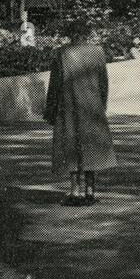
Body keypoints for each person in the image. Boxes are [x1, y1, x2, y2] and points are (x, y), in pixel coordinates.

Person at [44, 32, 116, 205]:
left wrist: (51, 110)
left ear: (71, 35)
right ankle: (90, 191)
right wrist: (102, 104)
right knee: (91, 147)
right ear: (87, 34)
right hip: (92, 107)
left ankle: (75, 191)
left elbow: (54, 84)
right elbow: (103, 82)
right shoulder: (98, 52)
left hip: (68, 107)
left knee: (71, 147)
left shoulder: (62, 53)